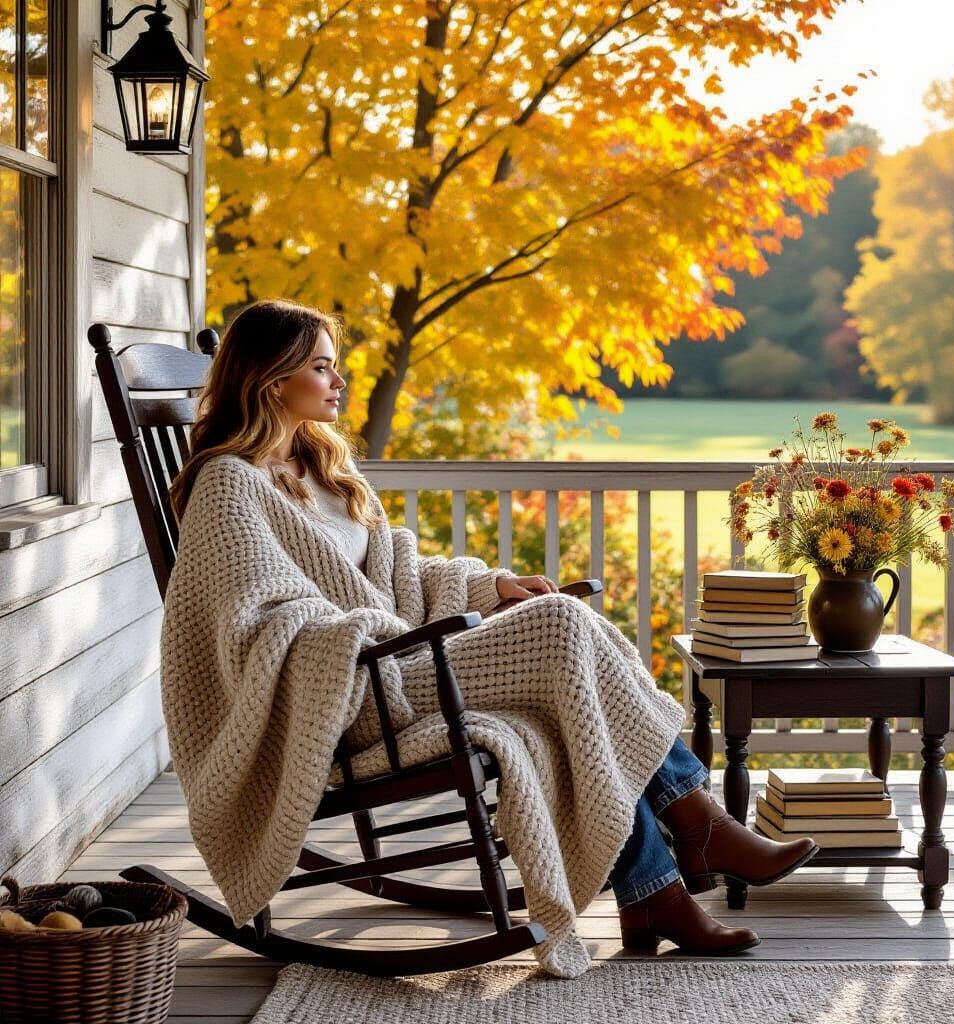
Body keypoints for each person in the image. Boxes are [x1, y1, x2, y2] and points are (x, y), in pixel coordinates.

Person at [164, 299, 817, 977]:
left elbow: (397, 573)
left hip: (404, 663)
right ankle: (699, 826)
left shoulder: (318, 462)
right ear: (274, 381)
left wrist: (492, 586)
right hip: (353, 691)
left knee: (564, 692)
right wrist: (367, 633)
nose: (339, 383)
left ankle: (656, 891)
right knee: (563, 625)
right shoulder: (228, 486)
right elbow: (258, 621)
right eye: (323, 368)